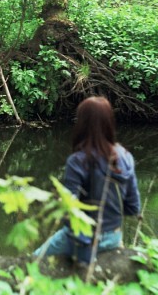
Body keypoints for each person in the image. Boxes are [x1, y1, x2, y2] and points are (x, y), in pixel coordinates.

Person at [33, 96, 141, 264]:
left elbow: (70, 212)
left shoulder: (78, 161)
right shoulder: (126, 157)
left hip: (83, 239)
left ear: (81, 124)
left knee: (33, 259)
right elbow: (133, 208)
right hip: (113, 237)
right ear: (109, 122)